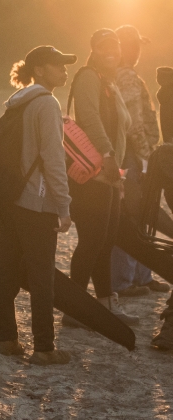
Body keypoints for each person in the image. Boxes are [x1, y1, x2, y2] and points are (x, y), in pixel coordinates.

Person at [0, 46, 75, 366]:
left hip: (10, 197)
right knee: (42, 274)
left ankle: (7, 339)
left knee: (7, 267)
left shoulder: (19, 100)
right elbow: (54, 160)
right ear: (39, 70)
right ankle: (43, 347)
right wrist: (64, 206)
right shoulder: (46, 104)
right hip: (36, 201)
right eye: (57, 65)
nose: (64, 70)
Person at [65, 28, 138, 326]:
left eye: (115, 46)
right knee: (91, 241)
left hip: (108, 174)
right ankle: (74, 309)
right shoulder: (88, 77)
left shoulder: (109, 81)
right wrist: (108, 155)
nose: (112, 51)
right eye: (105, 46)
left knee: (105, 241)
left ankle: (106, 303)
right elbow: (89, 117)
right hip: (92, 173)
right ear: (94, 49)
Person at [110, 25, 167, 297]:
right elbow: (133, 123)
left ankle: (142, 276)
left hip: (133, 154)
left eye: (138, 45)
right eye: (132, 45)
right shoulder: (128, 77)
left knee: (142, 215)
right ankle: (124, 281)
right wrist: (146, 159)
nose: (136, 50)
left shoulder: (118, 76)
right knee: (134, 216)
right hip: (135, 156)